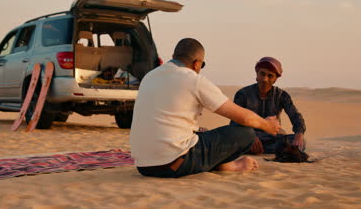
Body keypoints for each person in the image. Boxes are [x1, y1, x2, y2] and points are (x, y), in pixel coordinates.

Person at [129, 38, 281, 178]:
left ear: (174, 55)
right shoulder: (192, 79)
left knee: (202, 133)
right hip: (172, 164)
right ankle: (226, 166)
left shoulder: (150, 76)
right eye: (202, 65)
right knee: (246, 133)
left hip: (143, 166)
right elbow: (243, 117)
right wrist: (267, 125)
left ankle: (219, 164)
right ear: (197, 63)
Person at [231, 57, 306, 154]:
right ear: (257, 74)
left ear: (275, 79)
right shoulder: (243, 94)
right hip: (248, 137)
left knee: (299, 142)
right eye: (262, 74)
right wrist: (250, 137)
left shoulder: (282, 95)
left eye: (270, 76)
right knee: (232, 140)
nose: (265, 79)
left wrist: (299, 134)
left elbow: (295, 116)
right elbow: (234, 122)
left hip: (273, 137)